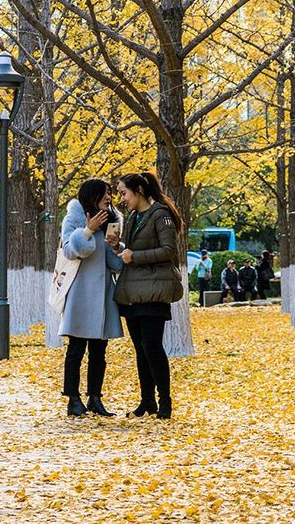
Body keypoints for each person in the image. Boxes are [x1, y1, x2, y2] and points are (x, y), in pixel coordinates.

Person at [111, 171, 183, 419]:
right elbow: (132, 250)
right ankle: (147, 401)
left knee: (152, 346)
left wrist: (135, 257)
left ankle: (165, 402)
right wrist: (117, 247)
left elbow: (168, 250)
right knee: (140, 349)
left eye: (123, 192)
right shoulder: (133, 217)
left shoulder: (160, 214)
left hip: (153, 290)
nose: (122, 198)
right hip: (132, 292)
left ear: (139, 189)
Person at [58, 178, 124, 417]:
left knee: (99, 350)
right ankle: (73, 399)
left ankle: (95, 397)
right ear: (92, 196)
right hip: (79, 293)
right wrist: (87, 230)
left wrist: (117, 246)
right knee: (76, 349)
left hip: (104, 295)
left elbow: (115, 264)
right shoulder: (74, 217)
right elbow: (71, 251)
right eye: (105, 194)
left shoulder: (113, 220)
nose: (109, 198)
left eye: (110, 194)